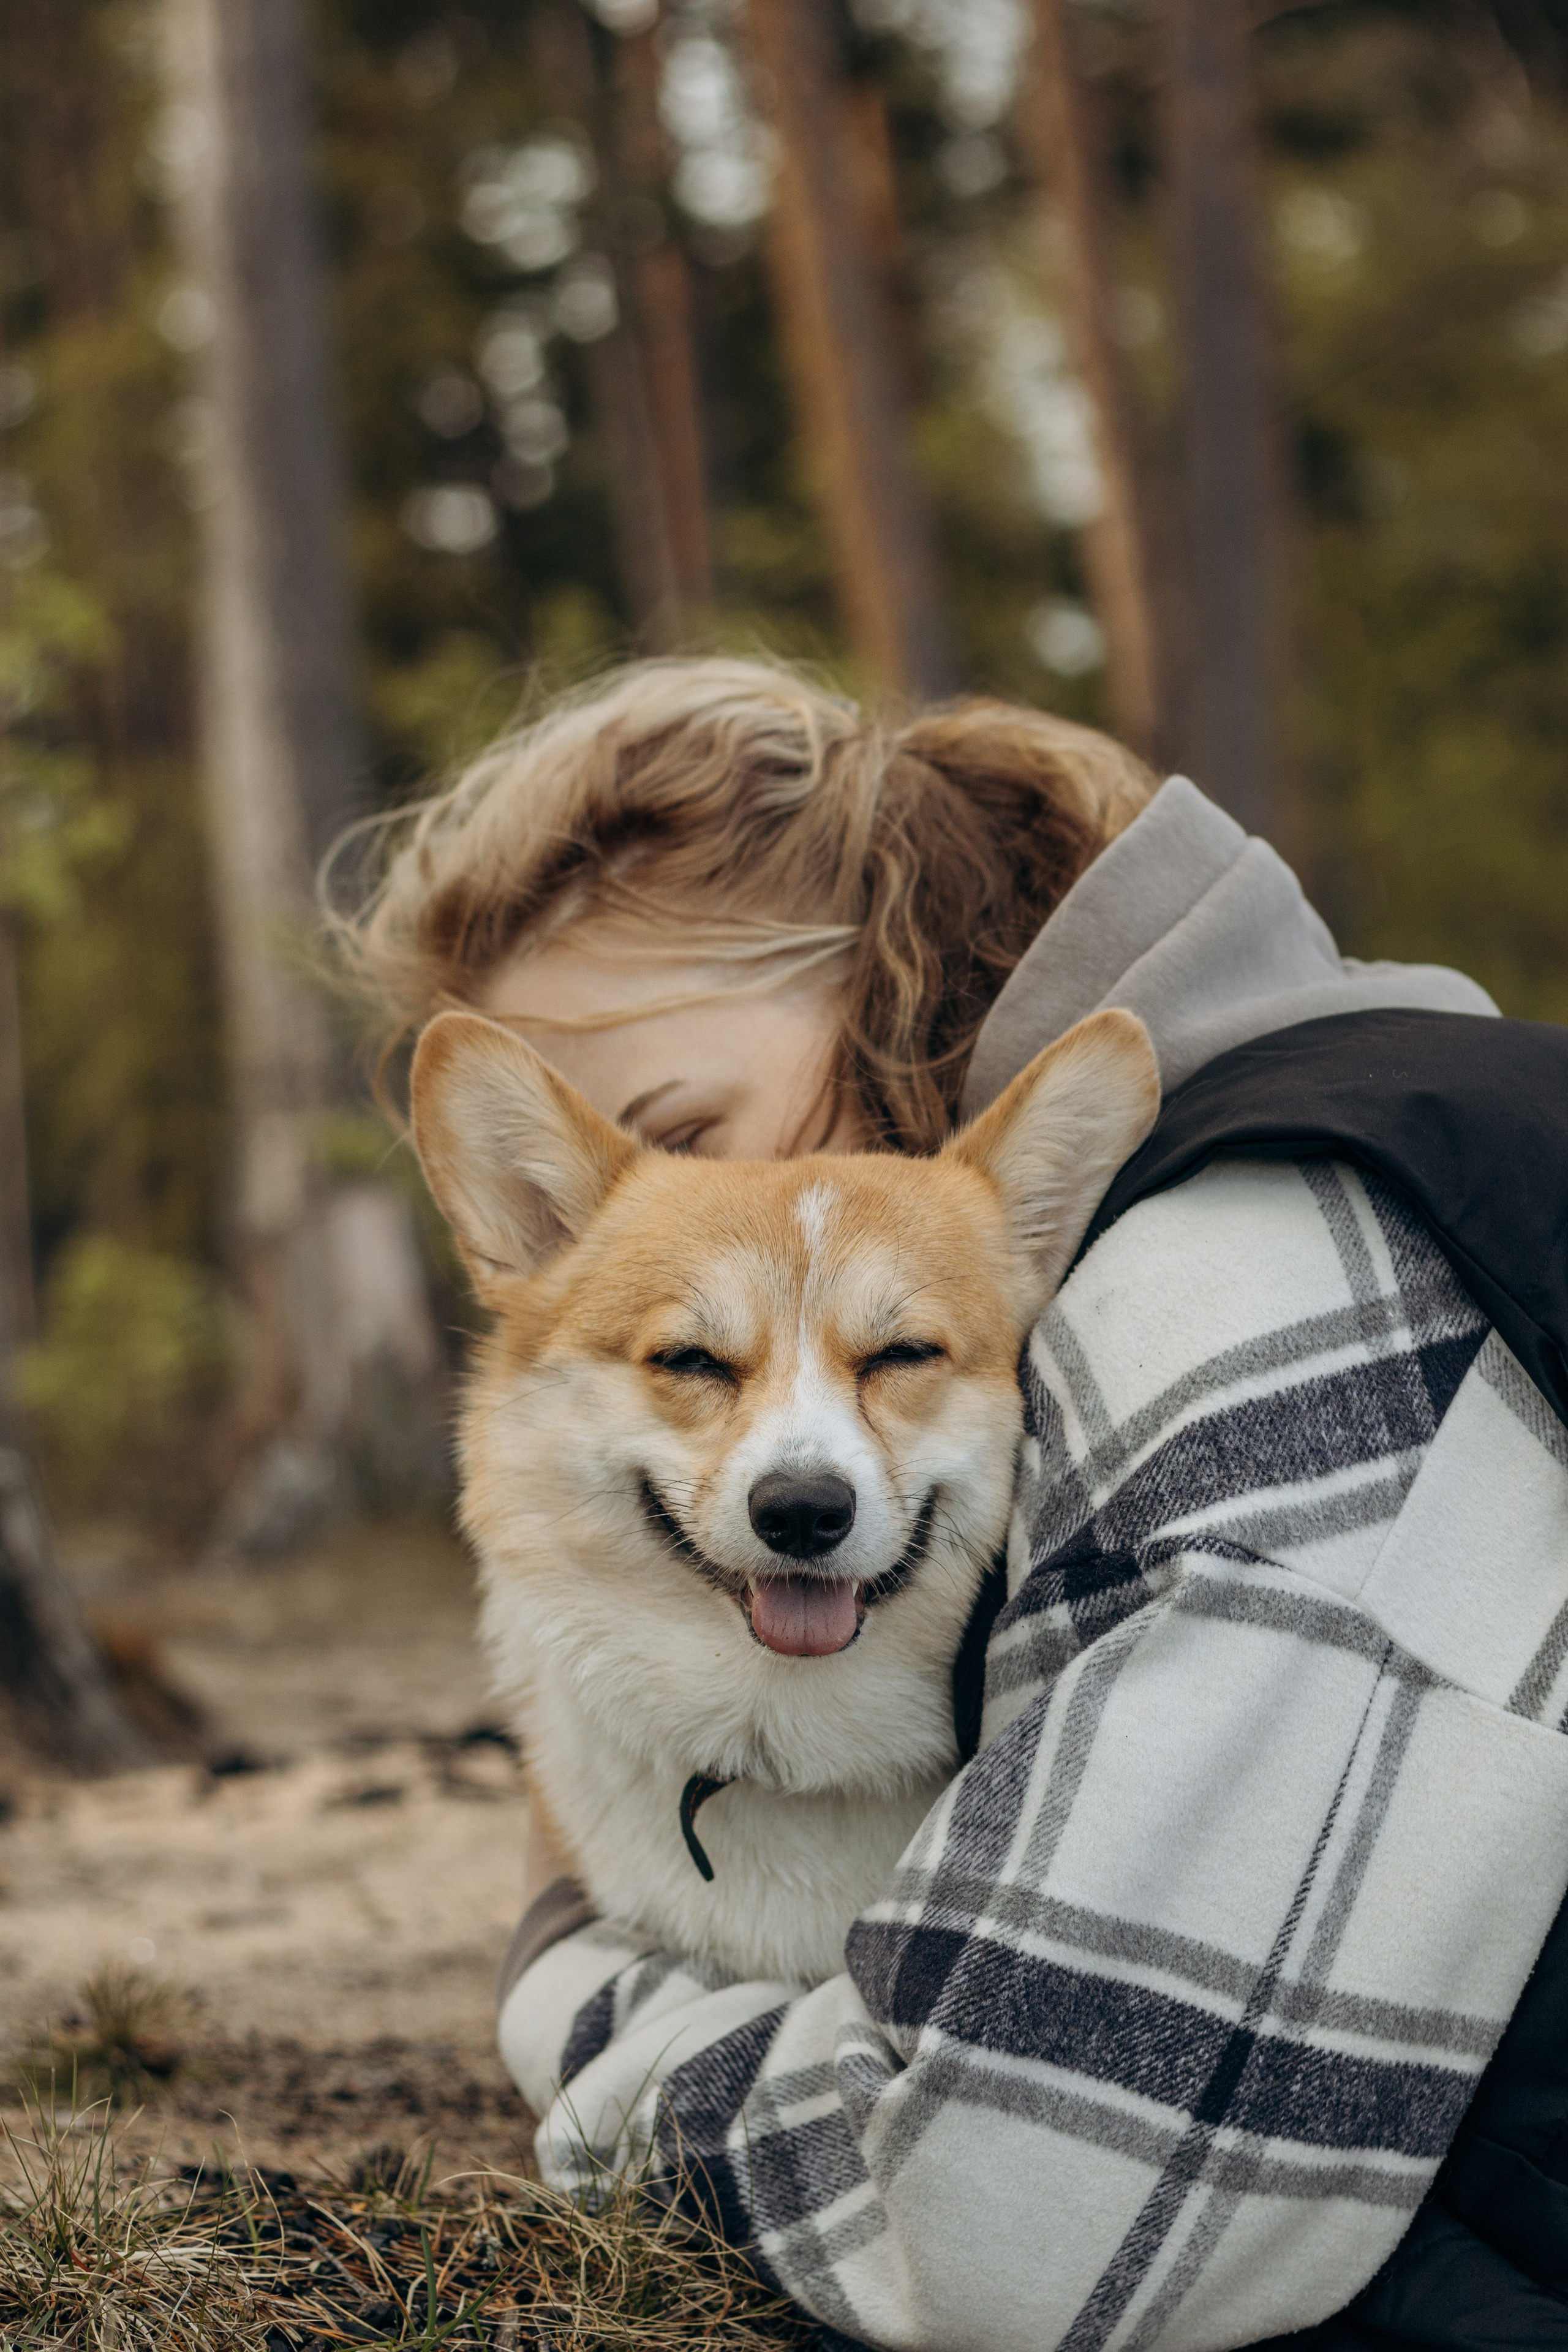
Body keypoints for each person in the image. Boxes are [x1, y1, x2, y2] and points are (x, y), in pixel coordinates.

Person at [335, 657, 1568, 2352]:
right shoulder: (1372, 1128)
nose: (664, 1209)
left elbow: (1012, 2229)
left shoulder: (1259, 1281)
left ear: (889, 979)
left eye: (681, 1128)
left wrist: (567, 1986)